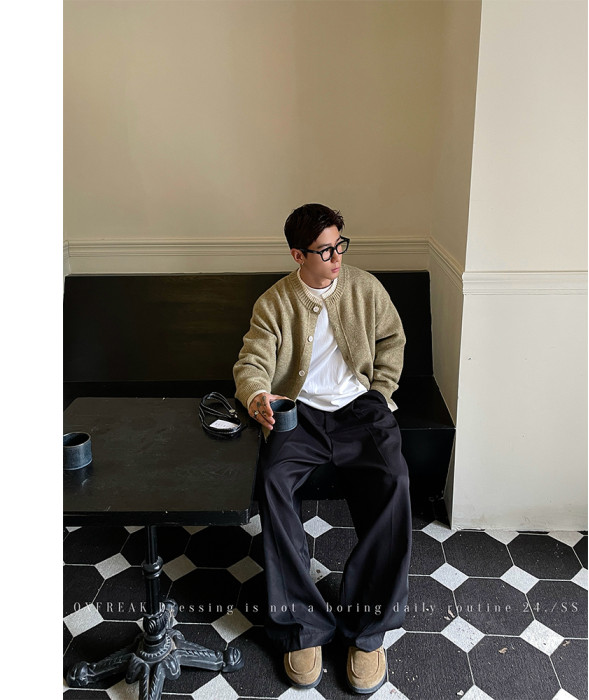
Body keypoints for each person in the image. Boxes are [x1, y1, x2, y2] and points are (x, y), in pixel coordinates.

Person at [233, 203, 412, 694]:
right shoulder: (274, 302)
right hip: (301, 413)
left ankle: (367, 628)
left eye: (340, 246)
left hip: (361, 409)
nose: (336, 258)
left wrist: (381, 392)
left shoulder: (365, 288)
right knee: (273, 480)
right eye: (325, 251)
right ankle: (302, 627)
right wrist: (258, 396)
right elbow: (251, 361)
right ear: (298, 255)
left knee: (394, 480)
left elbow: (392, 341)